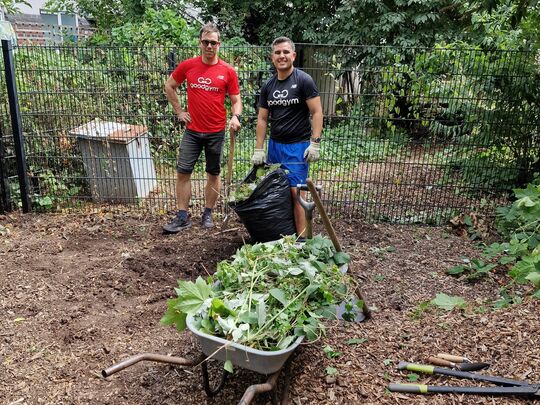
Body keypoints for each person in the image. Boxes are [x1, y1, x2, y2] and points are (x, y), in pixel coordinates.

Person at [163, 23, 242, 233]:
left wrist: (236, 116)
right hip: (192, 131)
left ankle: (207, 213)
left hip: (216, 132)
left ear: (219, 44)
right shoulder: (188, 66)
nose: (209, 46)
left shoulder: (228, 71)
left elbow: (236, 100)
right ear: (200, 43)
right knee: (183, 172)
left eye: (213, 42)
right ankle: (182, 216)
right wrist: (179, 111)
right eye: (206, 42)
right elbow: (169, 85)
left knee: (213, 173)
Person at [252, 36, 323, 238]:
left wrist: (315, 143)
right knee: (277, 193)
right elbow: (263, 119)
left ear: (293, 55)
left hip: (297, 147)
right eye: (277, 53)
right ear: (272, 58)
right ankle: (282, 236)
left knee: (295, 193)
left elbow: (317, 112)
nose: (281, 56)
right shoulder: (268, 86)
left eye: (285, 52)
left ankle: (302, 240)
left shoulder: (304, 80)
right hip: (275, 147)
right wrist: (259, 149)